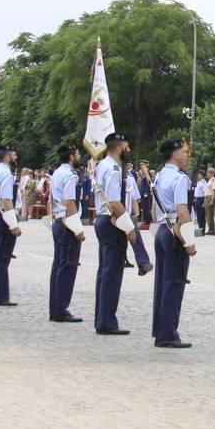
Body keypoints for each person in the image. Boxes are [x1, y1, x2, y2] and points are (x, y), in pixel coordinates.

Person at [151, 138, 196, 347]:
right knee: (174, 283)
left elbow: (153, 210)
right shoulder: (180, 179)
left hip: (162, 229)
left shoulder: (159, 175)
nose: (186, 155)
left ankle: (161, 330)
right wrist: (189, 240)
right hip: (175, 233)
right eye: (184, 152)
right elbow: (182, 210)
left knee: (162, 282)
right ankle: (168, 334)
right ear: (175, 154)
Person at [93, 133, 136, 335]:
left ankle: (101, 318)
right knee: (111, 273)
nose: (129, 150)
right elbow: (114, 202)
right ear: (119, 148)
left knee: (105, 272)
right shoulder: (112, 169)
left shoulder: (102, 165)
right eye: (127, 146)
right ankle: (106, 322)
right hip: (112, 221)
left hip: (103, 219)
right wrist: (129, 227)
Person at [48, 143, 86, 323]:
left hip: (58, 219)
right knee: (67, 267)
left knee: (58, 266)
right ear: (72, 156)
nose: (79, 156)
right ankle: (60, 309)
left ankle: (55, 307)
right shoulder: (70, 175)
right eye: (77, 153)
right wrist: (78, 229)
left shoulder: (57, 172)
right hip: (67, 223)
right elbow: (70, 202)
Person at [0, 145, 22, 307]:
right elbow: (7, 200)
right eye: (14, 153)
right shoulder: (6, 173)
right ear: (7, 156)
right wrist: (13, 225)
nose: (16, 156)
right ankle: (0, 296)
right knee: (3, 257)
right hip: (3, 215)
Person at [123, 160, 154, 273]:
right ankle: (123, 259)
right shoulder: (113, 176)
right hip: (114, 215)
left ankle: (143, 263)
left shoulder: (131, 179)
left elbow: (134, 198)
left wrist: (136, 215)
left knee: (136, 238)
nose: (127, 167)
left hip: (128, 215)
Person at [193, 170, 208, 234]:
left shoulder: (203, 182)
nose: (197, 176)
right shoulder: (198, 182)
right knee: (198, 216)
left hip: (201, 199)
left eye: (199, 174)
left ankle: (202, 230)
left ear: (202, 175)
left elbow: (205, 193)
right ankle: (200, 230)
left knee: (202, 216)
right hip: (197, 199)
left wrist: (204, 202)